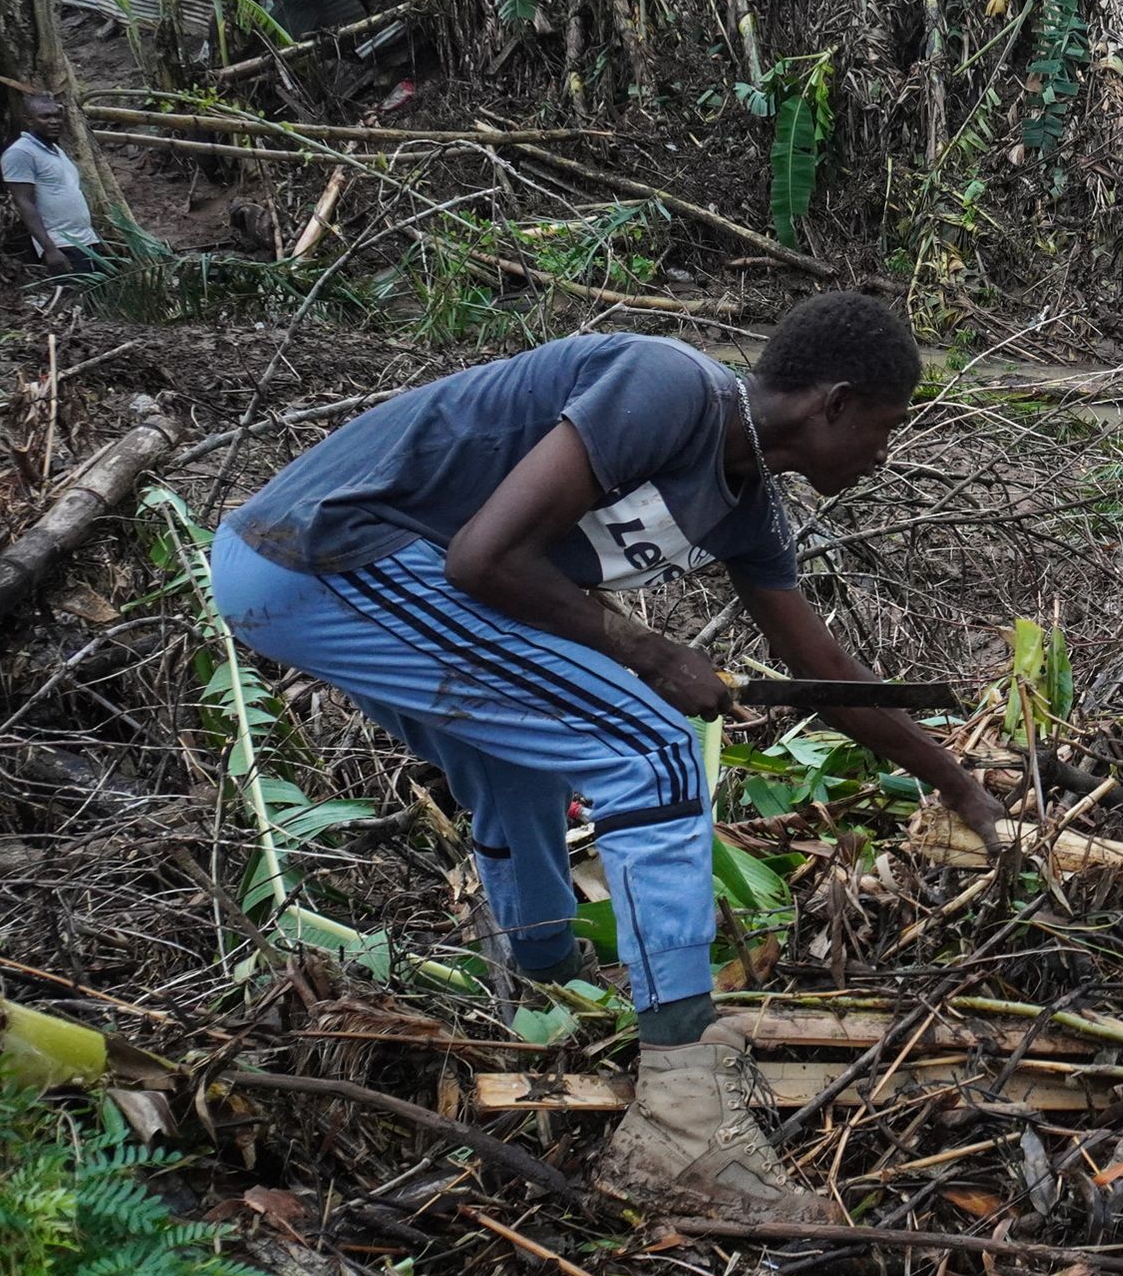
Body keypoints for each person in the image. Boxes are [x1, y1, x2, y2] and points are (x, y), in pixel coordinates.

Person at [210, 290, 1009, 1221]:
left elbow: (820, 667)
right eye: (883, 426)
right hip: (321, 554)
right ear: (833, 402)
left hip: (334, 572)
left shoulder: (744, 502)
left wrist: (957, 784)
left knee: (521, 764)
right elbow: (482, 558)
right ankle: (681, 1126)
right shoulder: (667, 387)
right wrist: (653, 653)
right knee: (656, 748)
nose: (883, 453)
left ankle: (541, 992)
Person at [2, 96, 104, 275]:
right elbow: (24, 202)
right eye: (46, 117)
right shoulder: (21, 152)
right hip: (61, 243)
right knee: (74, 299)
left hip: (86, 240)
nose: (54, 121)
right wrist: (49, 249)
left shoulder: (57, 151)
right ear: (29, 120)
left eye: (57, 116)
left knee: (98, 298)